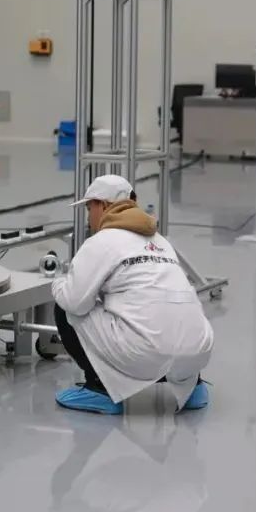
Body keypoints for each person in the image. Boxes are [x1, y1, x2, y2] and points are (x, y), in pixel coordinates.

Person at [52, 174, 214, 415]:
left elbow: (74, 301)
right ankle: (193, 386)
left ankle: (99, 389)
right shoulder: (160, 241)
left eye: (89, 208)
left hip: (146, 356)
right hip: (197, 351)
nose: (88, 217)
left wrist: (58, 281)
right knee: (173, 311)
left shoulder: (101, 241)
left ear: (103, 205)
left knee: (66, 306)